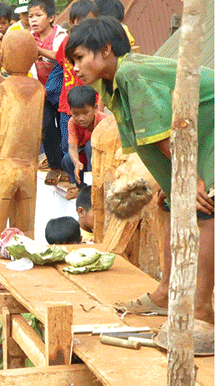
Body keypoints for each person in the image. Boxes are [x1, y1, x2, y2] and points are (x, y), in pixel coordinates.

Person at [67, 17, 214, 323]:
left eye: (80, 57)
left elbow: (164, 135)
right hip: (195, 138)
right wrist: (172, 184)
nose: (75, 67)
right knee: (174, 205)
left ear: (105, 49)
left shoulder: (131, 72)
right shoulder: (109, 84)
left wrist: (191, 179)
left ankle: (201, 309)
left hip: (209, 135)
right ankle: (165, 293)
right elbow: (151, 138)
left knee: (206, 212)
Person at [54, 0, 98, 180]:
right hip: (67, 103)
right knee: (67, 144)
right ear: (72, 22)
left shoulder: (96, 43)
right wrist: (39, 50)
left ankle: (90, 179)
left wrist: (98, 107)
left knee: (92, 145)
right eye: (79, 22)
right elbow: (58, 59)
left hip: (89, 102)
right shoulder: (66, 42)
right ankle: (73, 177)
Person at [28, 0, 68, 185]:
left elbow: (61, 56)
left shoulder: (61, 36)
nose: (33, 20)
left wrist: (37, 50)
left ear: (51, 17)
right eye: (30, 16)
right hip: (40, 90)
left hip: (60, 90)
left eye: (38, 15)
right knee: (46, 128)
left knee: (64, 127)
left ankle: (67, 167)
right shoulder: (28, 37)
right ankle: (54, 166)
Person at [62, 85, 104, 189]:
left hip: (101, 157)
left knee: (90, 145)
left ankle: (92, 186)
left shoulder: (103, 121)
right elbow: (72, 148)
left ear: (95, 108)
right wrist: (76, 163)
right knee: (67, 160)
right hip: (84, 157)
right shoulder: (72, 122)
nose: (81, 118)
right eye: (76, 114)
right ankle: (80, 188)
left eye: (85, 113)